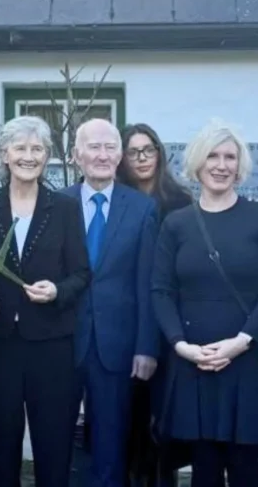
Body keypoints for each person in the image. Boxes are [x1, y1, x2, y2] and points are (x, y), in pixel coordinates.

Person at [152, 120, 258, 487]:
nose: (222, 164)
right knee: (204, 470)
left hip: (246, 362)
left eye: (230, 156)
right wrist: (181, 346)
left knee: (246, 469)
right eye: (213, 155)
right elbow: (161, 290)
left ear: (241, 165)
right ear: (197, 163)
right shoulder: (176, 224)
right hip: (193, 364)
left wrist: (241, 341)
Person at [0, 116, 91, 487]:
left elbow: (82, 274)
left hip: (52, 346)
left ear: (47, 157)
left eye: (37, 149)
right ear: (4, 155)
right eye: (20, 148)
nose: (28, 156)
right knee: (3, 448)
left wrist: (56, 291)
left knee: (53, 448)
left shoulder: (65, 208)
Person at [61, 118, 159, 487]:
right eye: (93, 147)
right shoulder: (57, 203)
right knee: (58, 441)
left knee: (110, 445)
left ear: (120, 155)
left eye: (109, 147)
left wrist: (146, 348)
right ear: (76, 155)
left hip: (118, 347)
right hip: (63, 340)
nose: (102, 155)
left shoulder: (142, 208)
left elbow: (148, 282)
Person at [117, 123, 194, 487]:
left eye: (149, 150)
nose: (142, 158)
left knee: (166, 423)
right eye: (134, 152)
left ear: (159, 153)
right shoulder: (116, 200)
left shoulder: (180, 203)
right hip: (127, 324)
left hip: (171, 327)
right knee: (129, 420)